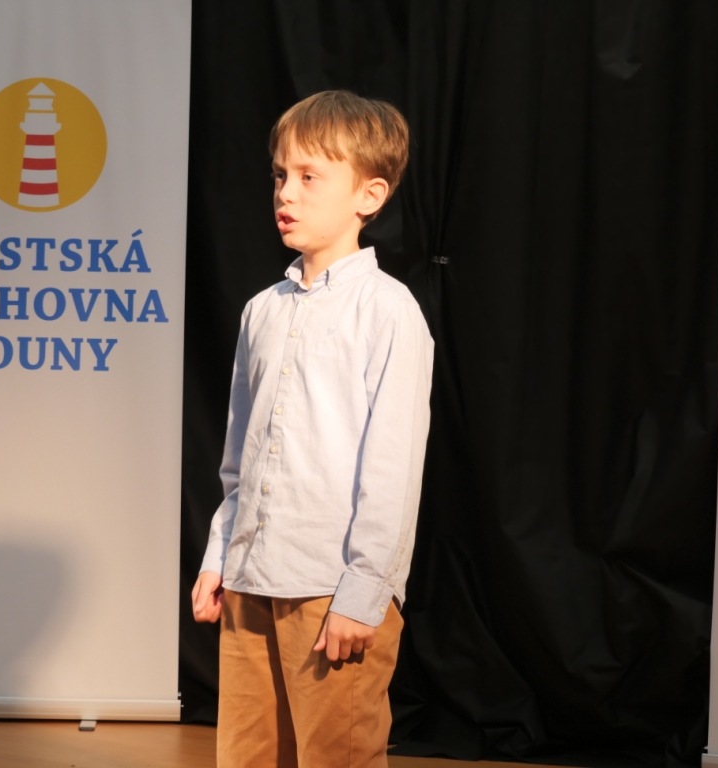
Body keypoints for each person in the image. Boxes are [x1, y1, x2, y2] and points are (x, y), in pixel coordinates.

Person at [191, 90, 434, 768]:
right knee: (246, 755)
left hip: (332, 587)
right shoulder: (261, 311)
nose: (286, 193)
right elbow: (241, 456)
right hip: (252, 579)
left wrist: (365, 591)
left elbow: (392, 467)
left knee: (336, 756)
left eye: (309, 176)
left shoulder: (388, 311)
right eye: (280, 175)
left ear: (370, 195)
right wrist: (219, 554)